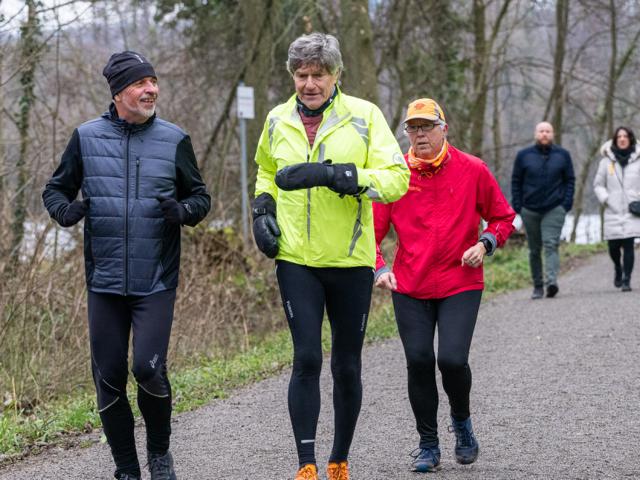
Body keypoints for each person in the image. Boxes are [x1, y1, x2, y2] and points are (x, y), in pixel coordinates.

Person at [42, 51, 211, 480]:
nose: (151, 89)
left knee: (148, 369)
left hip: (156, 280)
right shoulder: (85, 137)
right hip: (104, 281)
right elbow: (55, 191)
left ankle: (160, 455)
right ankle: (127, 469)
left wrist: (184, 211)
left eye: (153, 81)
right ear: (119, 93)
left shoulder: (174, 139)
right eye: (141, 83)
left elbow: (200, 198)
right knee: (109, 377)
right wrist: (65, 212)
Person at [252, 33, 410, 480]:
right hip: (296, 259)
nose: (309, 84)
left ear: (337, 74)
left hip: (349, 260)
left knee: (345, 363)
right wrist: (261, 209)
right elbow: (266, 169)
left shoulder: (365, 115)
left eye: (319, 75)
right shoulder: (277, 118)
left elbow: (396, 179)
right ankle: (306, 464)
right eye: (301, 75)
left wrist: (340, 175)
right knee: (306, 358)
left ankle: (339, 459)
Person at [374, 98, 515, 472]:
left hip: (460, 281)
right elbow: (369, 233)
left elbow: (503, 218)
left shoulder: (473, 169)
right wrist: (378, 268)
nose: (419, 134)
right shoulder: (396, 175)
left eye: (426, 127)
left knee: (452, 360)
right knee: (419, 361)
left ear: (444, 129)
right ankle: (428, 445)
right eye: (412, 128)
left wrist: (485, 244)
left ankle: (462, 421)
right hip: (410, 283)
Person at [511, 121, 575, 299]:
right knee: (534, 249)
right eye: (541, 131)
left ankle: (551, 282)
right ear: (536, 134)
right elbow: (516, 181)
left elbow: (570, 180)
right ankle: (537, 286)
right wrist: (518, 205)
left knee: (551, 243)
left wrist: (566, 204)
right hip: (529, 209)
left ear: (552, 134)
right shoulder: (523, 156)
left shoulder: (563, 155)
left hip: (554, 208)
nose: (544, 134)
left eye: (548, 131)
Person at [593, 126, 640, 291]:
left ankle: (627, 280)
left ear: (630, 139)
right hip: (612, 210)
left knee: (628, 245)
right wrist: (606, 199)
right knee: (613, 247)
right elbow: (598, 185)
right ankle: (618, 268)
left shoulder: (638, 161)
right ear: (615, 140)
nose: (622, 139)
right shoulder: (606, 162)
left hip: (632, 210)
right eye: (619, 136)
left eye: (625, 136)